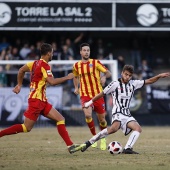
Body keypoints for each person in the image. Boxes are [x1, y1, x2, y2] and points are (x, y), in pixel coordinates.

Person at [0, 43, 82, 154]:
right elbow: (52, 82)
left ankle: (70, 146)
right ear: (48, 53)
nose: (52, 54)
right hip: (36, 101)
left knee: (60, 119)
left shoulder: (34, 63)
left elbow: (21, 70)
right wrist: (67, 77)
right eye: (52, 52)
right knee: (26, 127)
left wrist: (19, 85)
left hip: (42, 101)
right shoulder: (45, 66)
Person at [74, 65, 170, 154]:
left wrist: (159, 75)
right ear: (122, 73)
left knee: (138, 129)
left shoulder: (134, 84)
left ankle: (128, 148)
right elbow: (102, 93)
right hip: (117, 112)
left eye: (129, 75)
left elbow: (149, 81)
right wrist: (89, 102)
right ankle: (88, 143)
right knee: (113, 129)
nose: (127, 77)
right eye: (126, 74)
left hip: (127, 114)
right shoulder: (115, 84)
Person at [73, 43, 111, 150]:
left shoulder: (95, 62)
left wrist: (103, 77)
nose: (86, 52)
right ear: (80, 52)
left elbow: (108, 73)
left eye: (88, 50)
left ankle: (102, 138)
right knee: (88, 115)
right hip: (85, 95)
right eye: (84, 50)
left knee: (102, 120)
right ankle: (94, 137)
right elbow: (75, 76)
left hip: (98, 94)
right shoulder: (76, 65)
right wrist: (76, 87)